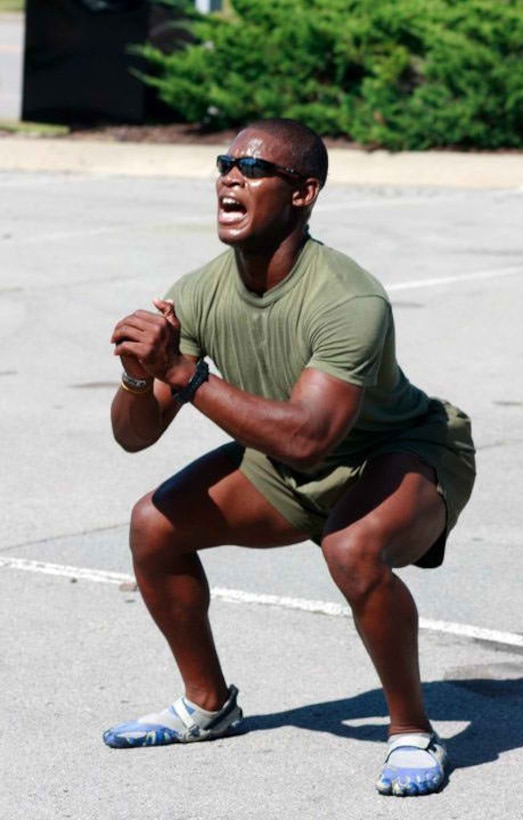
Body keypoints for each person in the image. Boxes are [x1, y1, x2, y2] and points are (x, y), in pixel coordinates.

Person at [105, 118, 475, 797]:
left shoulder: (346, 296)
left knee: (351, 548)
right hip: (285, 464)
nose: (230, 177)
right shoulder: (200, 290)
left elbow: (310, 437)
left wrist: (185, 374)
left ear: (302, 193)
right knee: (153, 526)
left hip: (401, 452)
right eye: (224, 164)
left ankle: (411, 731)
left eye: (252, 169)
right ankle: (207, 705)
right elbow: (134, 435)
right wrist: (138, 373)